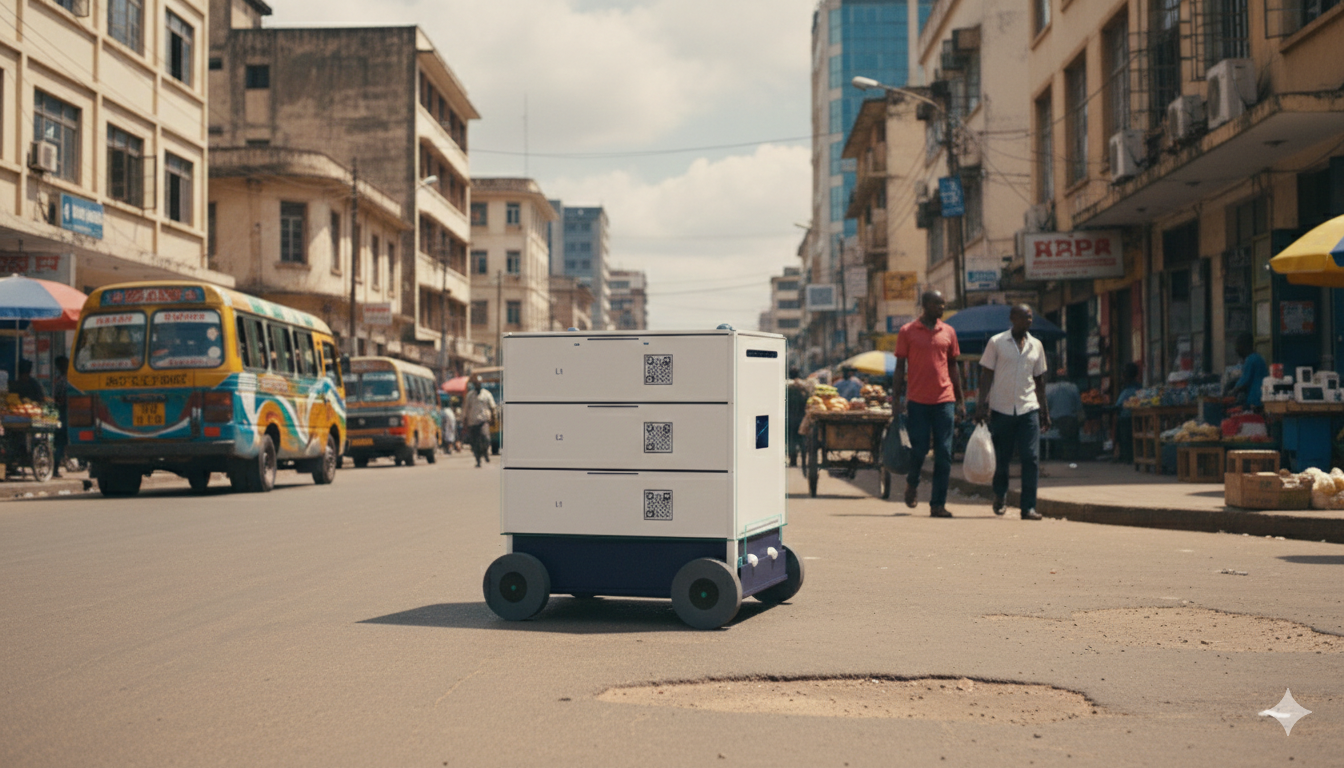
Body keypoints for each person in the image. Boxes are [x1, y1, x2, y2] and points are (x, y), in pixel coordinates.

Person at [893, 290, 965, 518]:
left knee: (944, 453)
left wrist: (960, 399)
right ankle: (912, 483)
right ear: (924, 305)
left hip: (944, 400)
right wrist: (896, 400)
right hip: (917, 401)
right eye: (937, 304)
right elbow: (899, 368)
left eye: (943, 304)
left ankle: (937, 504)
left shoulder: (949, 332)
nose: (941, 308)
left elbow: (954, 367)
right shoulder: (907, 332)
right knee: (920, 449)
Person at [976, 304, 1051, 520]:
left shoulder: (1036, 345)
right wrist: (981, 405)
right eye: (1023, 317)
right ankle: (1000, 495)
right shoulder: (997, 342)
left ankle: (1028, 507)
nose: (1027, 321)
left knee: (1031, 458)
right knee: (1002, 459)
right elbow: (986, 375)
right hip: (1001, 409)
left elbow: (1039, 380)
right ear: (1012, 318)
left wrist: (1044, 411)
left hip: (1028, 409)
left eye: (1030, 317)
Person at [1044, 369, 1082, 455]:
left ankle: (1055, 452)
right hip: (1070, 420)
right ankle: (1073, 453)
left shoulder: (1048, 388)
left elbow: (1046, 406)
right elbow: (1078, 406)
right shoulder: (1073, 387)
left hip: (1054, 421)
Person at [1228, 332, 1268, 411]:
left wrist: (1232, 391)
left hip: (1255, 399)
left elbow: (1244, 381)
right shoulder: (1258, 357)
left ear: (1244, 345)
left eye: (1238, 346)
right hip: (1263, 396)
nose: (1237, 350)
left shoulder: (1250, 360)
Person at [463, 375, 496, 468]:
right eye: (476, 383)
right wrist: (465, 422)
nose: (477, 385)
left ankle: (485, 452)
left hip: (483, 421)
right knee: (474, 443)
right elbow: (466, 410)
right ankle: (478, 460)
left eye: (479, 383)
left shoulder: (487, 394)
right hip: (472, 422)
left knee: (486, 438)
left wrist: (493, 418)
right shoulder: (469, 396)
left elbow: (492, 407)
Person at [1114, 362, 1141, 464]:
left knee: (1124, 434)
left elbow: (1118, 405)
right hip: (1137, 417)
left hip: (1126, 418)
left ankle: (1126, 456)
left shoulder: (1127, 390)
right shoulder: (1138, 387)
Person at [786, 367, 808, 467]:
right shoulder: (804, 385)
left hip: (790, 417)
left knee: (791, 439)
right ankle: (803, 458)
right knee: (801, 438)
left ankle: (793, 460)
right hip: (802, 416)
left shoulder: (786, 385)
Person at [52, 355, 69, 477]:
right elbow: (58, 399)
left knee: (60, 442)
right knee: (61, 442)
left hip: (63, 413)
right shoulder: (64, 381)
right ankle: (55, 468)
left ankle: (56, 467)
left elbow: (56, 399)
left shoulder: (60, 381)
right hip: (65, 413)